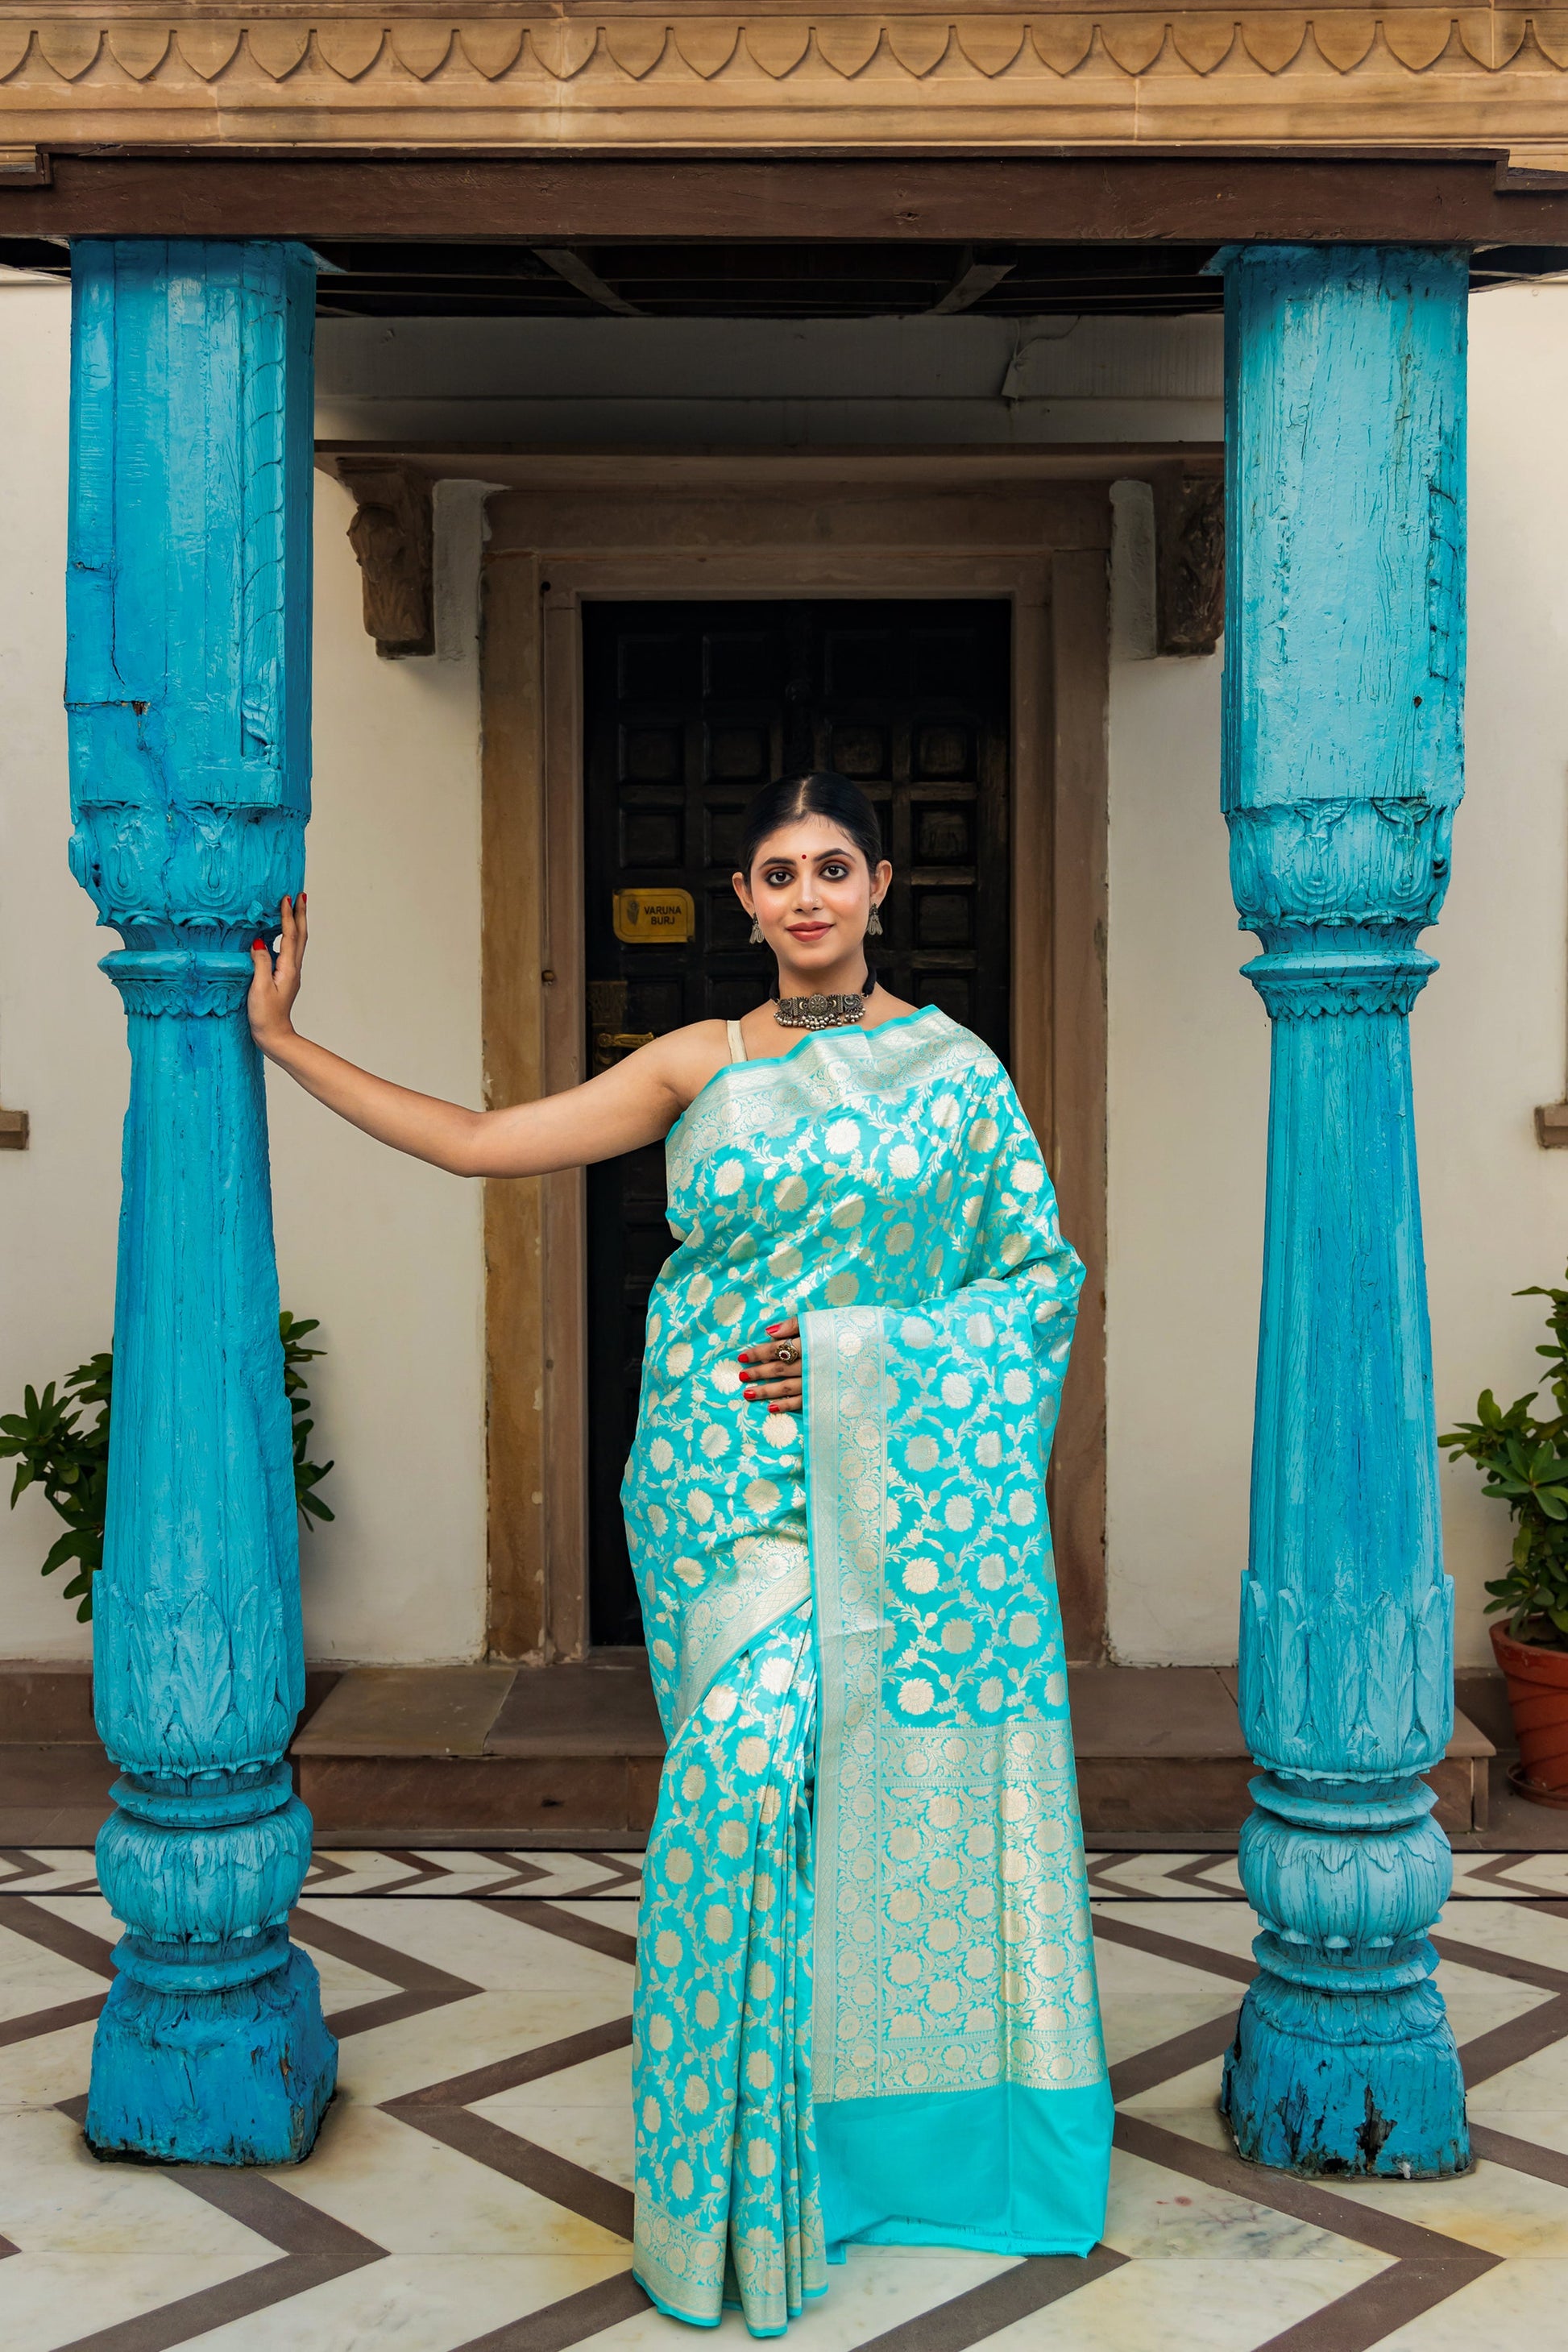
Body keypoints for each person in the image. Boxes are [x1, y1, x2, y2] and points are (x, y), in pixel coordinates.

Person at [248, 769, 1113, 2337]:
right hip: (716, 1487)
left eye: (830, 866)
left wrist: (858, 1352)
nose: (804, 894)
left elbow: (1035, 1287)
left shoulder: (961, 1075)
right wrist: (282, 1038)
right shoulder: (693, 1064)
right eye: (777, 870)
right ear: (743, 900)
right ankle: (722, 2176)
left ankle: (859, 2148)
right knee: (740, 1770)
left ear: (879, 883)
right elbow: (476, 1138)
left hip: (894, 1496)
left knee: (828, 1792)